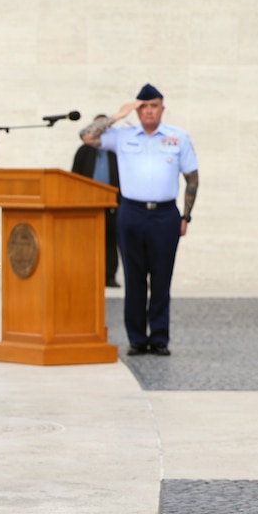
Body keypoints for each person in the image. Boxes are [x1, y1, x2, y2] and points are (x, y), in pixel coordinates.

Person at [88, 85, 199, 356]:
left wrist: (186, 215)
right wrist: (118, 115)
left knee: (162, 278)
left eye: (154, 106)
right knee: (134, 278)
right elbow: (87, 136)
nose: (149, 111)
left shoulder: (177, 137)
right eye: (144, 106)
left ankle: (159, 337)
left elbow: (192, 178)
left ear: (162, 108)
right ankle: (137, 338)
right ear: (138, 110)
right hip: (132, 213)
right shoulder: (123, 135)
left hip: (165, 215)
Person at [72, 122, 122, 287]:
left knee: (110, 241)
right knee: (87, 242)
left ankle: (109, 276)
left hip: (112, 205)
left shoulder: (115, 151)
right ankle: (87, 273)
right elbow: (75, 176)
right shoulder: (84, 151)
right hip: (87, 204)